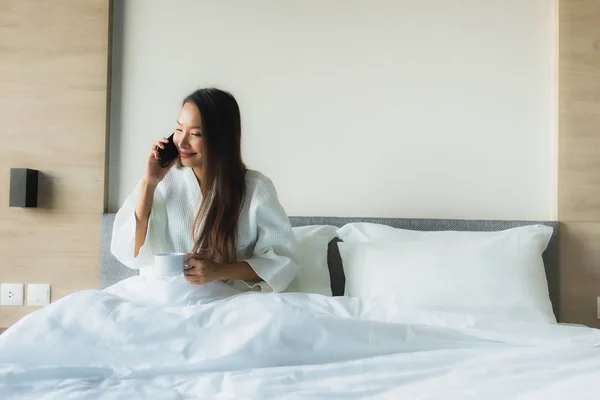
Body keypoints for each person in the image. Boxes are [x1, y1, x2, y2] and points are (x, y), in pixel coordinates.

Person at [111, 88, 300, 292]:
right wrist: (149, 183)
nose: (182, 142)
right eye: (179, 129)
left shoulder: (255, 189)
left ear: (222, 138)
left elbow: (281, 262)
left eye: (195, 134)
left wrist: (220, 270)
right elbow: (131, 253)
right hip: (163, 297)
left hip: (227, 301)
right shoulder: (162, 182)